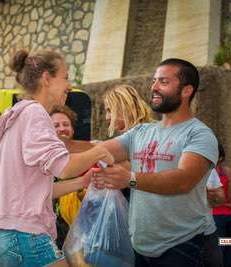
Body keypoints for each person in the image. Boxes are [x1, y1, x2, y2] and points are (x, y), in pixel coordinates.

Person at [0, 48, 114, 267]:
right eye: (65, 78)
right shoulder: (35, 114)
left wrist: (81, 182)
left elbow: (32, 191)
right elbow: (63, 167)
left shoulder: (20, 116)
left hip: (8, 236)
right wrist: (99, 150)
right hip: (24, 234)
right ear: (46, 78)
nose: (69, 86)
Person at [93, 58, 219, 267]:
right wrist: (55, 143)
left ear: (186, 91)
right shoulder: (141, 132)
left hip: (184, 247)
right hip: (140, 248)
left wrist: (130, 179)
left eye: (163, 81)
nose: (154, 87)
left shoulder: (199, 134)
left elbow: (183, 181)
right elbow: (97, 151)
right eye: (154, 81)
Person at [50, 105, 87, 248]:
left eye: (66, 124)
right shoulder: (39, 161)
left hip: (78, 237)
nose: (62, 128)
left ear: (72, 129)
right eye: (56, 125)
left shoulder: (84, 157)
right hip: (48, 236)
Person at [210, 144, 231, 267]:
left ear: (221, 157)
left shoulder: (226, 171)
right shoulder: (207, 171)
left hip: (228, 212)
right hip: (215, 214)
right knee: (220, 246)